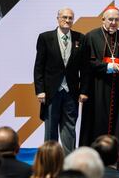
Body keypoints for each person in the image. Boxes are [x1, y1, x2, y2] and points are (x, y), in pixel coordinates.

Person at [79, 5, 119, 170]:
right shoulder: (91, 36)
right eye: (110, 19)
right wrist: (108, 66)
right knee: (96, 121)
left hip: (118, 88)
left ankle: (118, 161)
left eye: (116, 19)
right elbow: (87, 63)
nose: (113, 22)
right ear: (103, 19)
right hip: (97, 87)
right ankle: (92, 162)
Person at [34, 8, 89, 155]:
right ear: (57, 18)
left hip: (71, 92)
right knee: (51, 129)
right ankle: (50, 161)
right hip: (51, 92)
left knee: (70, 128)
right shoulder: (45, 37)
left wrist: (83, 91)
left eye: (70, 18)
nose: (67, 20)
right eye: (64, 17)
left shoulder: (80, 38)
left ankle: (69, 162)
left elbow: (85, 68)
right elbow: (39, 66)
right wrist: (40, 90)